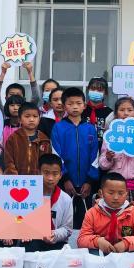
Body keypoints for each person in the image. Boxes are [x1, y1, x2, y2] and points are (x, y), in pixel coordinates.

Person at [51, 87, 99, 228]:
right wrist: (65, 179)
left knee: (85, 221)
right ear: (64, 106)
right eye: (70, 103)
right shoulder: (58, 128)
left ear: (84, 105)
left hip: (86, 184)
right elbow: (56, 155)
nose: (75, 107)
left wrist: (89, 181)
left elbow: (95, 155)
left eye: (78, 103)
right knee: (65, 219)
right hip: (65, 183)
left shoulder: (90, 128)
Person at [77, 172, 134, 255]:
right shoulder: (92, 213)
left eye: (120, 193)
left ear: (126, 193)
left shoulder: (133, 213)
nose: (116, 197)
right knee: (91, 252)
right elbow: (81, 240)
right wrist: (98, 241)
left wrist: (126, 243)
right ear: (101, 193)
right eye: (111, 193)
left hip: (125, 255)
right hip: (100, 254)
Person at [98, 97, 134, 201]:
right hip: (115, 186)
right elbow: (102, 165)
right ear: (116, 114)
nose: (126, 113)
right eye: (121, 110)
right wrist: (108, 158)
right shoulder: (111, 136)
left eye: (130, 110)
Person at [23, 154, 73, 251]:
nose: (50, 178)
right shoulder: (28, 195)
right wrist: (25, 231)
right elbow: (20, 219)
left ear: (60, 175)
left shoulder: (66, 199)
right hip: (33, 240)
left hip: (57, 242)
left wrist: (54, 234)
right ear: (38, 173)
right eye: (46, 173)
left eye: (55, 174)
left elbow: (67, 229)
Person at [4, 102, 51, 175]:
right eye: (27, 116)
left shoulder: (44, 140)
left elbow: (47, 164)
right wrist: (13, 174)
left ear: (39, 119)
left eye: (35, 116)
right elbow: (8, 161)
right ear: (20, 119)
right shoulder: (13, 138)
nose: (31, 119)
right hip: (17, 180)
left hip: (37, 180)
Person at [82, 77, 113, 145]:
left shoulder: (110, 113)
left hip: (102, 149)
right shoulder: (81, 109)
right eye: (93, 89)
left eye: (100, 90)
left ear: (105, 93)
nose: (95, 92)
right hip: (81, 147)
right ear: (88, 90)